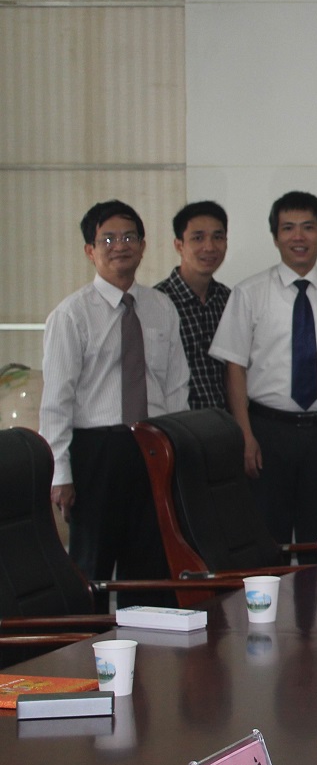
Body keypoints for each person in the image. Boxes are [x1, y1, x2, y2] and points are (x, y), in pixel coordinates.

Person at [39, 200, 189, 591]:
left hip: (153, 447)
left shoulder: (161, 307)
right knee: (92, 569)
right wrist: (60, 473)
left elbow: (176, 387)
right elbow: (56, 402)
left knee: (152, 567)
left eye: (128, 237)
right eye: (107, 239)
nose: (119, 245)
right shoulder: (71, 315)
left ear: (143, 245)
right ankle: (88, 634)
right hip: (97, 452)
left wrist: (178, 453)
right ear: (90, 250)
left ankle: (146, 632)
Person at [209, 191, 317, 554]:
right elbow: (235, 368)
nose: (298, 237)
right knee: (266, 540)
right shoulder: (248, 293)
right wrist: (245, 435)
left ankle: (316, 595)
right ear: (275, 237)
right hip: (267, 432)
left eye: (308, 227)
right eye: (288, 228)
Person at [154, 200, 231, 411]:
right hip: (178, 423)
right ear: (179, 245)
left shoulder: (229, 300)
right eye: (198, 238)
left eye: (218, 237)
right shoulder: (156, 303)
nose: (209, 247)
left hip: (226, 423)